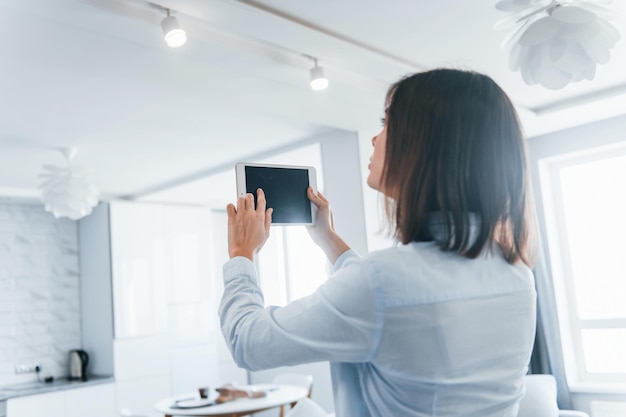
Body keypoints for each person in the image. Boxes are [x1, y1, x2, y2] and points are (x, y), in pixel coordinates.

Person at [219, 68, 537, 417]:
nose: (374, 139)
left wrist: (242, 254)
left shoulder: (381, 283)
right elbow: (388, 300)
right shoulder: (516, 273)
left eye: (386, 123)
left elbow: (248, 342)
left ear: (422, 144)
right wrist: (328, 239)